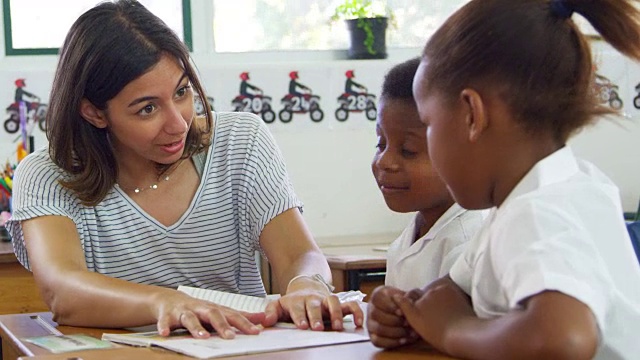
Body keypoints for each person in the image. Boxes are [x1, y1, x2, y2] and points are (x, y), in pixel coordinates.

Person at [5, 0, 362, 341]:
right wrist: (166, 302)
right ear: (94, 113)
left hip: (245, 347)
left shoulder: (241, 141)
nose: (178, 124)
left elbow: (300, 255)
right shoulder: (47, 174)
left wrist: (307, 285)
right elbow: (62, 290)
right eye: (147, 109)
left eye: (181, 92)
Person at [367, 0, 640, 359]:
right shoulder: (558, 190)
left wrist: (452, 330)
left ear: (471, 115)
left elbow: (564, 339)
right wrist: (406, 312)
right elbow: (451, 291)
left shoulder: (538, 211)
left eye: (428, 124)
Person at [372, 57, 486, 292]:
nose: (385, 161)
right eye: (380, 143)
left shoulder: (468, 244)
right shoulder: (413, 235)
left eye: (408, 150)